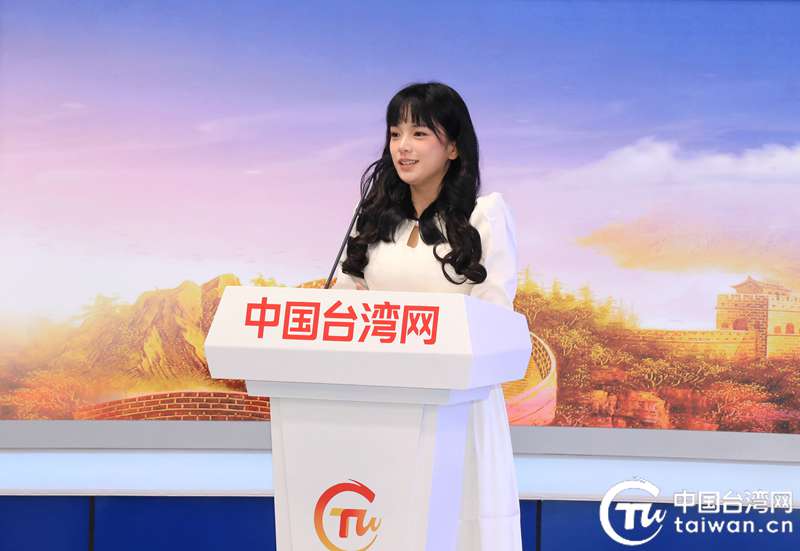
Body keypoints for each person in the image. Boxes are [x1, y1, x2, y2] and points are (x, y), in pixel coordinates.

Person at [332, 82, 522, 550]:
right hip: (381, 405)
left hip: (458, 409)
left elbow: (494, 318)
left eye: (419, 133)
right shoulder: (371, 219)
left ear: (452, 147)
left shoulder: (484, 216)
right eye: (395, 133)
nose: (403, 146)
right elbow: (343, 300)